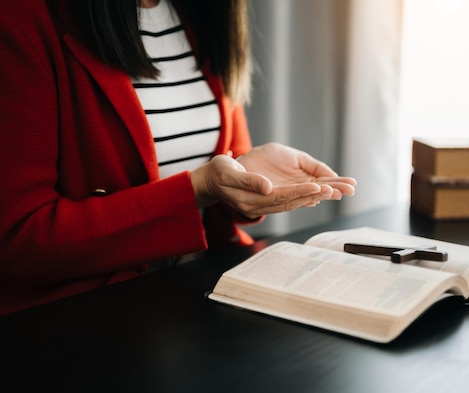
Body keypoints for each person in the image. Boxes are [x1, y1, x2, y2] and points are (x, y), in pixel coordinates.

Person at [0, 0, 356, 316]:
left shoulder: (205, 12)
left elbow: (220, 170)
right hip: (85, 320)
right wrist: (197, 189)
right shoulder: (23, 17)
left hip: (197, 292)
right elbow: (19, 239)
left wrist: (245, 178)